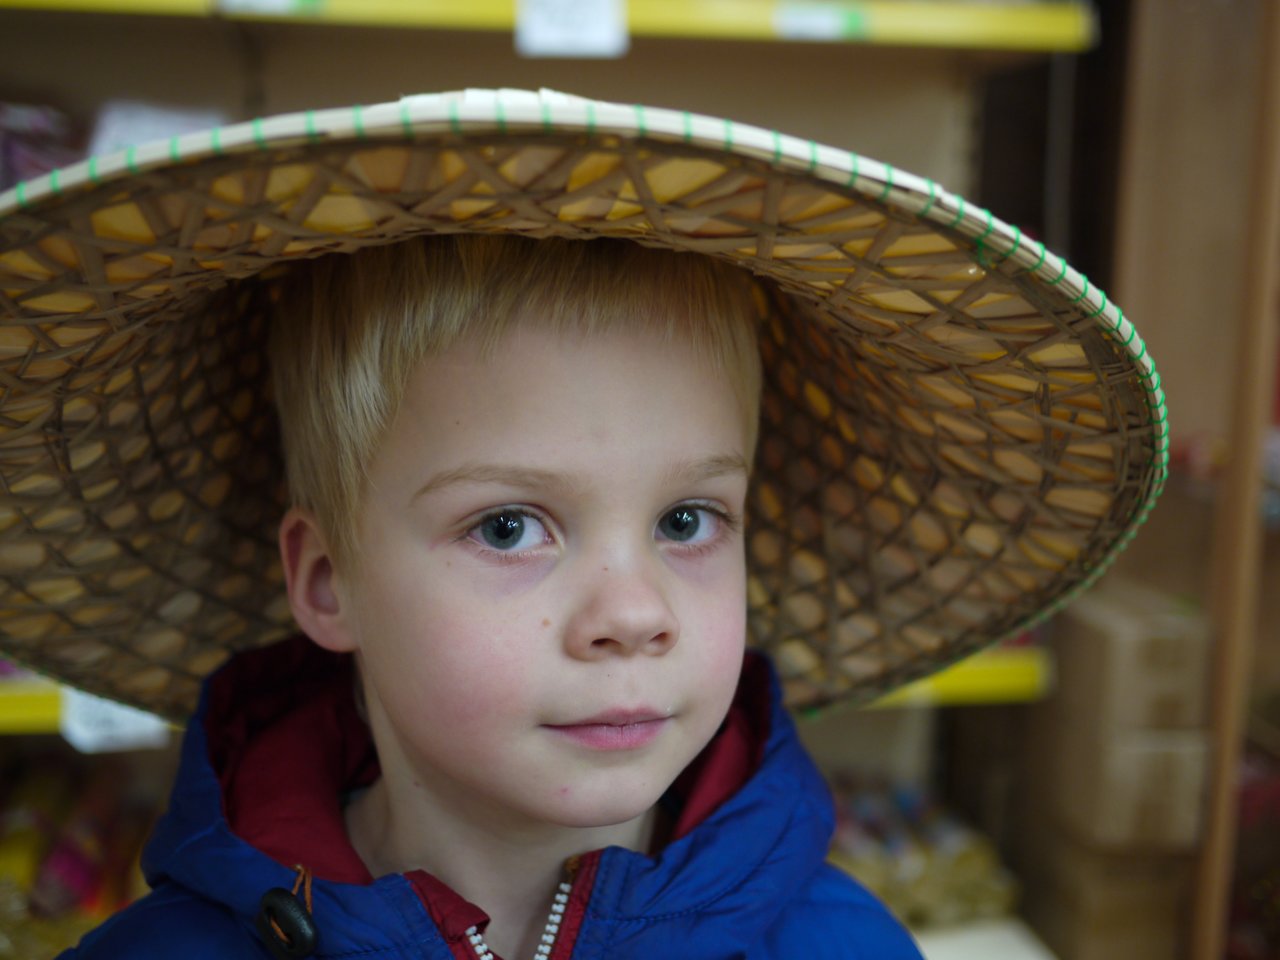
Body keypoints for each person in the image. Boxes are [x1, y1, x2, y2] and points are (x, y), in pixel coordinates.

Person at [0, 88, 1167, 959]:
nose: (630, 615)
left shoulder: (842, 946)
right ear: (327, 582)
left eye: (687, 518)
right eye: (509, 528)